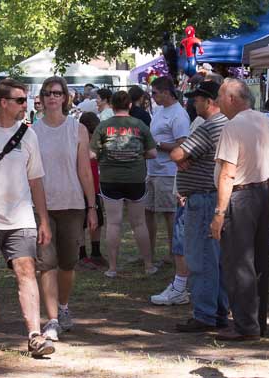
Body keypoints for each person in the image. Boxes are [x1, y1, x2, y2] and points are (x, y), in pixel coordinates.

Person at [0, 79, 55, 357]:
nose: (25, 105)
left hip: (20, 218)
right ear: (3, 102)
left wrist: (42, 219)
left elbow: (36, 180)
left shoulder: (28, 135)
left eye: (25, 100)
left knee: (26, 271)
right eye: (20, 100)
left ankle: (35, 335)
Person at [210, 78, 269, 341]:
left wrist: (219, 213)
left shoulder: (233, 126)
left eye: (219, 96)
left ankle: (245, 326)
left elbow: (228, 173)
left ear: (232, 98)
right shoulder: (264, 120)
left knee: (238, 263)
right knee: (259, 262)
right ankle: (256, 322)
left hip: (240, 197)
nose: (217, 101)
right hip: (260, 193)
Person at [32, 76, 98, 341]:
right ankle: (51, 320)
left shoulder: (77, 129)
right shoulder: (32, 131)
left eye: (57, 93)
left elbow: (84, 170)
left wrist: (92, 206)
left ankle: (63, 307)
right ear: (41, 97)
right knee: (46, 263)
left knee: (68, 263)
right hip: (42, 207)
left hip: (72, 204)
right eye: (48, 92)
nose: (52, 97)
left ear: (65, 97)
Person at [168, 81, 229, 327]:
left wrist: (183, 159)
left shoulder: (209, 126)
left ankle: (205, 314)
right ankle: (218, 311)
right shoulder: (226, 125)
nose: (194, 103)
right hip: (212, 196)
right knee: (215, 258)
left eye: (197, 99)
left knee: (201, 257)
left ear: (209, 101)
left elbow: (177, 153)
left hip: (203, 198)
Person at [90, 90, 158, 278]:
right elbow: (153, 153)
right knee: (139, 223)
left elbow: (92, 154)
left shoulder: (103, 126)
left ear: (112, 106)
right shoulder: (140, 125)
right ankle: (148, 265)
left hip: (110, 179)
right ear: (129, 105)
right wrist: (137, 155)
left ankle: (112, 268)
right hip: (135, 179)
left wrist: (106, 154)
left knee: (113, 223)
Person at [145, 76, 190, 270]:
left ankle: (174, 254)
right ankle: (149, 253)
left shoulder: (179, 115)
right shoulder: (159, 110)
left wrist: (157, 145)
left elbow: (183, 146)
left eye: (154, 93)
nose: (152, 96)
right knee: (148, 212)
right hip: (153, 170)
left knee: (169, 215)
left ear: (166, 92)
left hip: (168, 172)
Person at [77, 112, 107, 268]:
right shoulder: (78, 143)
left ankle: (96, 252)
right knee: (81, 223)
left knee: (98, 221)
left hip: (94, 189)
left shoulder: (96, 144)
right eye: (91, 132)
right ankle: (81, 255)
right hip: (81, 188)